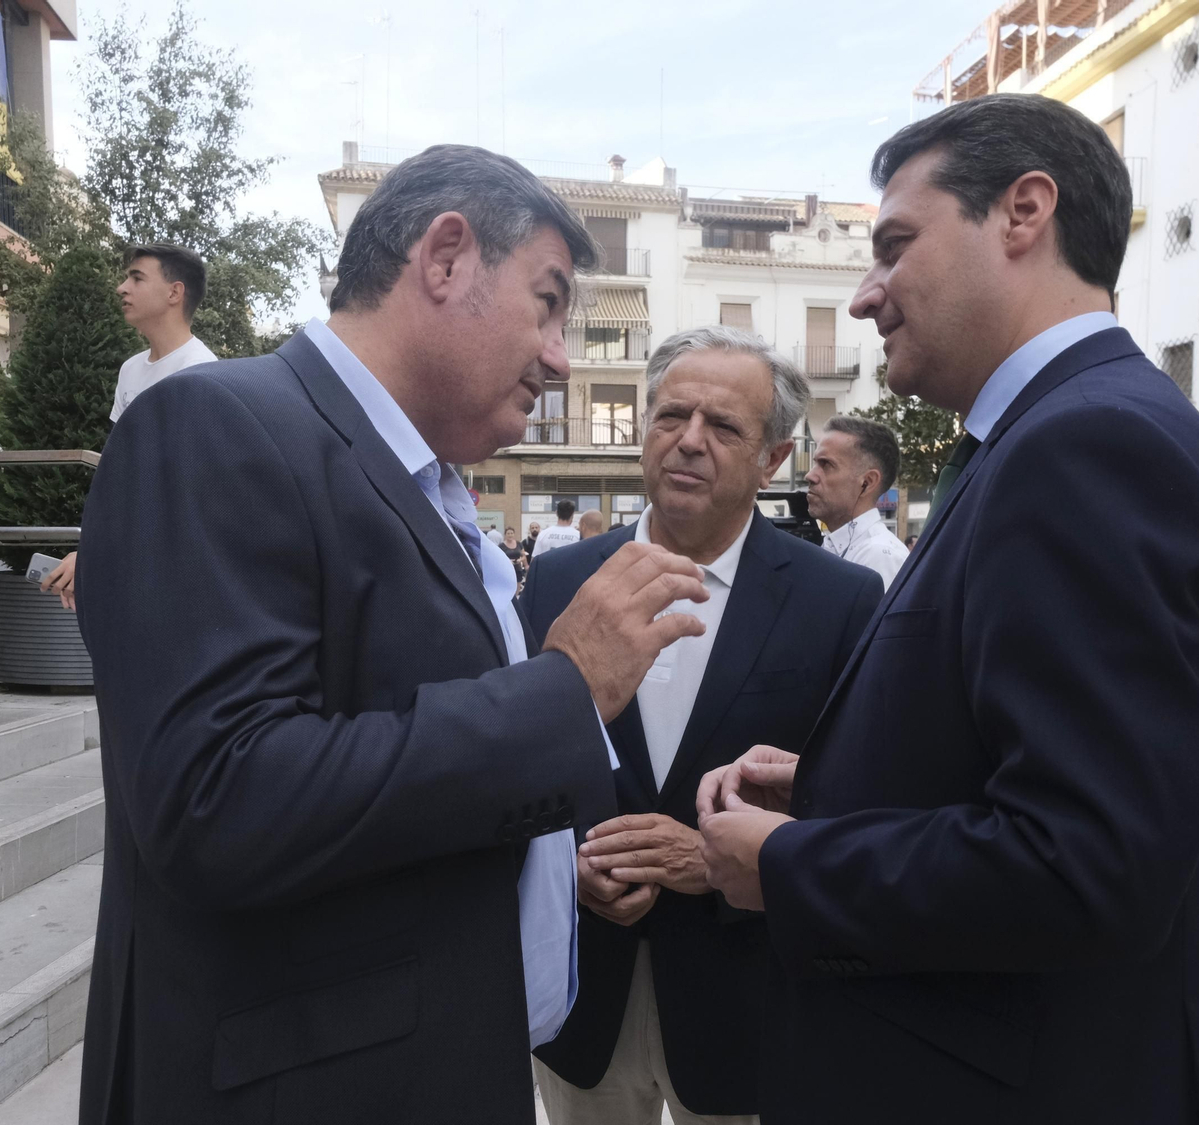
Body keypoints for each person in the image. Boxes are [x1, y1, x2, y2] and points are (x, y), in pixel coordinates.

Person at [73, 144, 711, 1124]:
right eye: (546, 303)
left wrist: (544, 864)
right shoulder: (216, 425)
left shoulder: (430, 492)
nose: (561, 355)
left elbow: (404, 768)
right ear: (446, 257)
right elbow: (216, 799)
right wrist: (566, 688)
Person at [697, 94, 1199, 1124]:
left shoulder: (1085, 448)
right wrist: (831, 785)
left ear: (1022, 212)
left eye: (894, 246)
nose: (866, 297)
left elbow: (1088, 863)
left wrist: (791, 863)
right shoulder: (1056, 436)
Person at [524, 327, 882, 1125]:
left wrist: (720, 858)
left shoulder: (840, 600)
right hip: (585, 995)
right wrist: (565, 865)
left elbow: (861, 796)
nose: (688, 441)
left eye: (722, 426)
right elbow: (517, 762)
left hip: (743, 1000)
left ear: (774, 459)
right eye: (671, 415)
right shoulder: (559, 579)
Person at [42, 243, 216, 611]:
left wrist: (97, 556)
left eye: (136, 278)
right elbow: (119, 472)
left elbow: (180, 491)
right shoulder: (131, 369)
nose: (122, 287)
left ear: (174, 292)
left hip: (177, 568)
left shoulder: (202, 372)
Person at [804, 415, 909, 592]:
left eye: (826, 464)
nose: (810, 476)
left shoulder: (879, 556)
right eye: (815, 463)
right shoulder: (836, 547)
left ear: (867, 482)